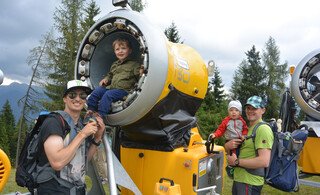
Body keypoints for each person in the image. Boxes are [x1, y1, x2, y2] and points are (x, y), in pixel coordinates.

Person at [37, 80, 106, 195]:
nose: (78, 99)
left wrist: (97, 138)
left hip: (76, 190)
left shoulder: (80, 125)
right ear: (65, 98)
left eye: (83, 95)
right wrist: (83, 134)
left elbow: (83, 160)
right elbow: (57, 163)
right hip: (54, 190)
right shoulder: (54, 122)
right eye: (72, 95)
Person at [225, 95, 274, 195]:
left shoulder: (263, 129)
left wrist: (236, 162)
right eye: (248, 108)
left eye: (254, 108)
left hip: (250, 182)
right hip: (240, 179)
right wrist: (227, 147)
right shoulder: (248, 129)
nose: (250, 111)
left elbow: (264, 161)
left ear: (263, 110)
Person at [86, 38, 143, 120]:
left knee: (108, 95)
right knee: (97, 91)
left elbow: (139, 76)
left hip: (124, 91)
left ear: (129, 51)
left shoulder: (134, 64)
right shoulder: (114, 64)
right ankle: (90, 111)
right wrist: (106, 79)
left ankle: (100, 116)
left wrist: (141, 72)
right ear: (115, 52)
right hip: (112, 89)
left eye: (123, 48)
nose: (120, 51)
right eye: (117, 49)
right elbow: (110, 75)